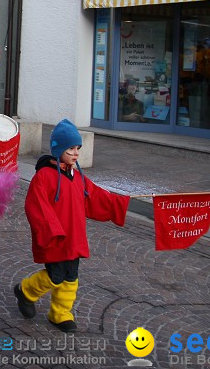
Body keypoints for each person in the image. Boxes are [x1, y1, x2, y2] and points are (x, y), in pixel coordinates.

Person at [13, 119, 129, 332]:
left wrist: (119, 202)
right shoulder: (44, 177)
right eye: (70, 148)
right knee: (55, 275)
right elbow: (36, 205)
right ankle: (26, 291)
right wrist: (51, 229)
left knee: (71, 276)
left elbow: (95, 196)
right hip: (56, 237)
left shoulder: (78, 177)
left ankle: (60, 313)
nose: (76, 153)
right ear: (58, 149)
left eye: (78, 148)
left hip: (74, 236)